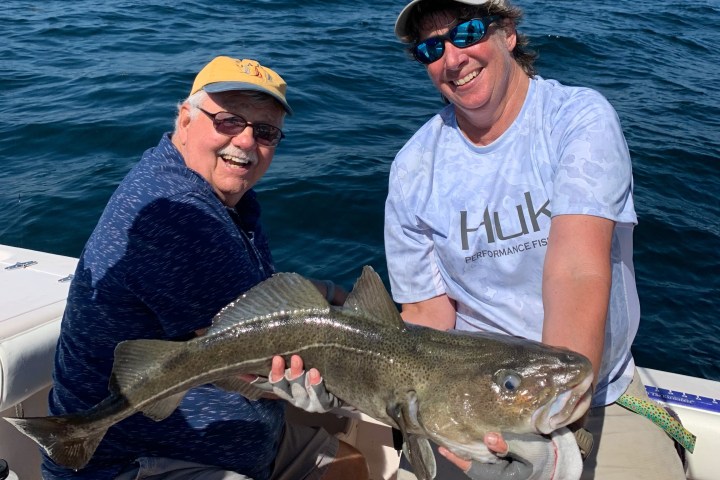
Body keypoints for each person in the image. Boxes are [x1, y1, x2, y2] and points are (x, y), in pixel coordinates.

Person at [384, 1, 687, 479]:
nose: (452, 58)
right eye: (431, 47)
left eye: (467, 32)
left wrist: (553, 440)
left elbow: (576, 271)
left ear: (507, 34)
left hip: (593, 390)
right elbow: (426, 319)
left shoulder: (576, 119)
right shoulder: (411, 169)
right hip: (462, 399)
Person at [46, 55, 368, 480]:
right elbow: (242, 359)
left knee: (351, 465)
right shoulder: (178, 215)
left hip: (226, 444)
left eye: (265, 131)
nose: (247, 142)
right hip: (135, 461)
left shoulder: (205, 188)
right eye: (229, 121)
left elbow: (252, 298)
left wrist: (332, 293)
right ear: (185, 118)